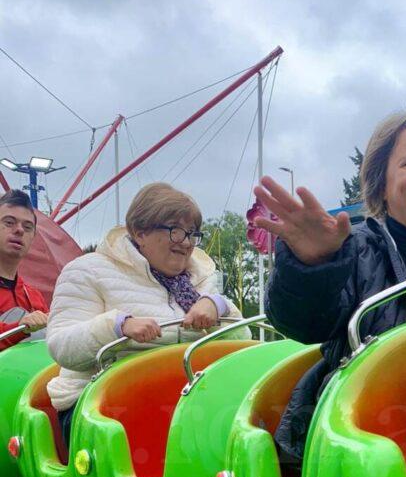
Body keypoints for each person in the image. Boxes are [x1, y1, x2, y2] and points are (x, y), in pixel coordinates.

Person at [253, 109, 406, 465]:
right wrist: (314, 266)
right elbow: (303, 323)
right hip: (382, 449)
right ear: (381, 182)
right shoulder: (354, 250)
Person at [46, 182, 244, 446]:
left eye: (192, 233)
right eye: (175, 231)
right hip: (102, 404)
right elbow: (62, 347)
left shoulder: (201, 278)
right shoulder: (86, 271)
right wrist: (117, 326)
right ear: (140, 232)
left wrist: (218, 307)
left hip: (187, 400)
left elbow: (243, 343)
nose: (186, 243)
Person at [0, 189, 49, 352]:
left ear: (33, 237)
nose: (19, 230)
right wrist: (19, 328)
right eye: (9, 222)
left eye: (28, 227)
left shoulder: (34, 297)